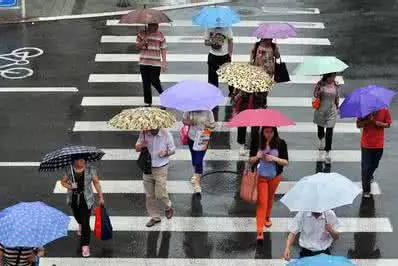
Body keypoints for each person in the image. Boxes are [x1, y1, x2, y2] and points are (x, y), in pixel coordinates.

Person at [249, 127, 288, 242]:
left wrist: (274, 158)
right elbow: (250, 160)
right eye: (266, 132)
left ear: (274, 132)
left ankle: (267, 217)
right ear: (262, 132)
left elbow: (286, 162)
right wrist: (257, 156)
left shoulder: (281, 143)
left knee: (270, 198)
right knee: (262, 202)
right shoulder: (257, 142)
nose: (269, 134)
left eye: (271, 132)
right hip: (260, 177)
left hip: (274, 176)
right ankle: (260, 230)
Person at [60, 155, 104, 258]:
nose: (82, 162)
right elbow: (63, 182)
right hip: (74, 198)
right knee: (77, 216)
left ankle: (85, 245)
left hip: (86, 199)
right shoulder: (69, 169)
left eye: (83, 160)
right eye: (80, 160)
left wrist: (101, 197)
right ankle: (79, 223)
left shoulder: (90, 169)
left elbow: (96, 182)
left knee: (85, 223)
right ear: (74, 161)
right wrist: (70, 186)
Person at [135, 128, 176, 227]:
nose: (152, 129)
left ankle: (168, 207)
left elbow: (173, 150)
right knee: (149, 195)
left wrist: (166, 153)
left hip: (161, 167)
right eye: (151, 127)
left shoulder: (166, 134)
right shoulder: (144, 133)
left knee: (160, 193)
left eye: (155, 127)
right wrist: (141, 145)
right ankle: (155, 217)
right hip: (147, 167)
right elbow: (136, 148)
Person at [357, 108, 392, 198]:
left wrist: (379, 123)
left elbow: (388, 124)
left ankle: (369, 175)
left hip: (379, 145)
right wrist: (368, 121)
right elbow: (358, 125)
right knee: (365, 167)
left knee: (374, 165)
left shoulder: (384, 110)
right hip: (366, 144)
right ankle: (366, 190)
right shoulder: (363, 111)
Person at [182, 110, 216, 194]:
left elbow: (213, 125)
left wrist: (208, 125)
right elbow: (184, 120)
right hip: (191, 137)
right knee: (194, 159)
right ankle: (196, 174)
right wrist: (190, 122)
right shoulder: (189, 109)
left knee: (199, 160)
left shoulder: (208, 111)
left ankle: (197, 183)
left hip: (203, 138)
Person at [136, 23, 168, 106]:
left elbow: (163, 49)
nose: (156, 27)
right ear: (149, 26)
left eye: (157, 25)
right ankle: (148, 103)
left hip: (155, 63)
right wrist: (144, 41)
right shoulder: (141, 34)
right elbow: (137, 46)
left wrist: (164, 62)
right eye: (154, 25)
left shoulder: (161, 35)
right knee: (146, 84)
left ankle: (164, 96)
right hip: (144, 63)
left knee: (155, 81)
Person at [313, 73, 340, 163]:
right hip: (321, 109)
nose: (333, 78)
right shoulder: (320, 84)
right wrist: (319, 91)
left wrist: (337, 106)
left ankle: (327, 152)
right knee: (320, 128)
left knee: (329, 131)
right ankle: (321, 140)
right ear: (327, 76)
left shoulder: (335, 84)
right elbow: (315, 95)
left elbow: (337, 96)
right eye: (332, 76)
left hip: (332, 110)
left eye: (334, 76)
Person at [232, 90, 268, 156]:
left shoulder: (260, 83)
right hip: (243, 107)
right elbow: (234, 98)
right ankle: (241, 146)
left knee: (255, 130)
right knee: (242, 128)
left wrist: (262, 102)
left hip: (256, 107)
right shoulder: (241, 83)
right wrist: (240, 94)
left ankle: (254, 148)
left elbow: (264, 96)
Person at [204, 27, 234, 94]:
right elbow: (206, 42)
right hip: (213, 56)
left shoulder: (227, 28)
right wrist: (213, 41)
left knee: (230, 77)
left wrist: (230, 54)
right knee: (212, 79)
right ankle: (213, 94)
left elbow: (230, 41)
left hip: (225, 56)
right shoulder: (209, 27)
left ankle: (232, 93)